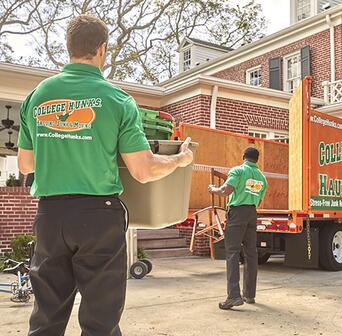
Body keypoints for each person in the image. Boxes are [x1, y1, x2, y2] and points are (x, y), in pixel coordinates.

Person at [17, 14, 193, 336]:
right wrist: (180, 161)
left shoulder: (37, 97)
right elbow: (142, 170)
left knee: (45, 319)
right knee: (101, 320)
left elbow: (26, 165)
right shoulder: (117, 100)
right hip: (99, 217)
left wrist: (60, 146)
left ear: (67, 48)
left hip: (51, 215)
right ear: (102, 49)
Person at [208, 147, 267, 310]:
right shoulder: (262, 178)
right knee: (251, 253)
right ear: (257, 160)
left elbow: (225, 190)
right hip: (252, 214)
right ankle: (249, 294)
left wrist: (213, 189)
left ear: (243, 157)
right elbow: (259, 200)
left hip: (237, 213)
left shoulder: (238, 171)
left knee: (232, 252)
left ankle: (234, 296)